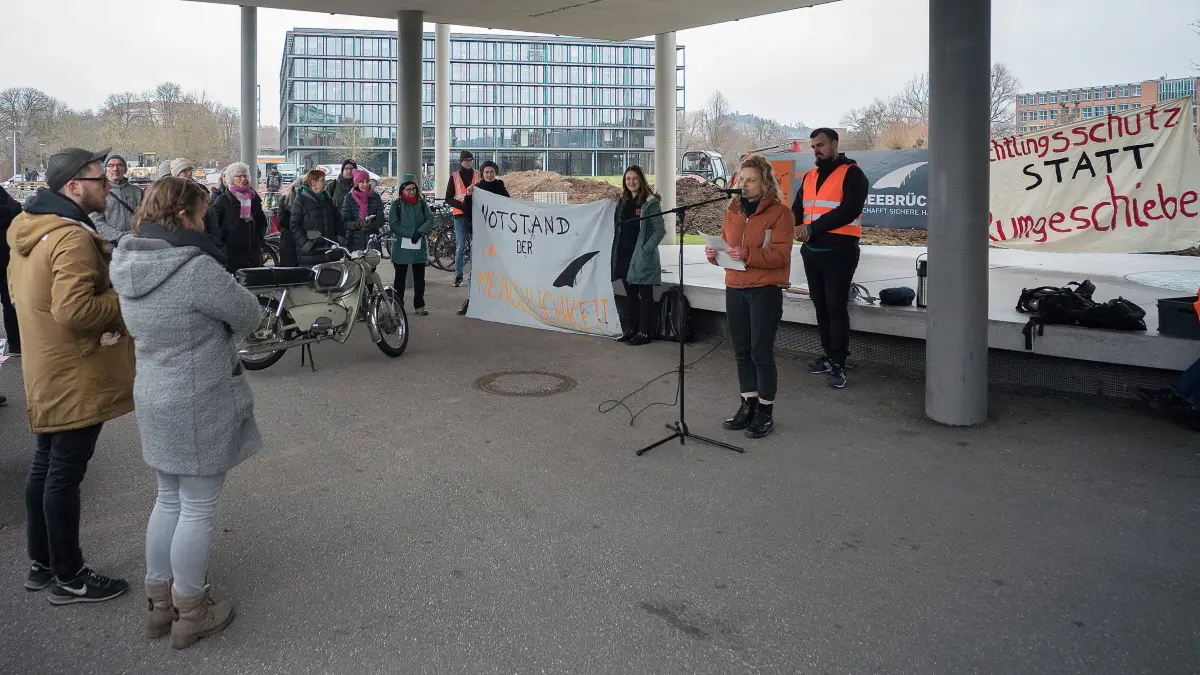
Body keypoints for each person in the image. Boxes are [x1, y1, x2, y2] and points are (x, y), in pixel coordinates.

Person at [110, 177, 264, 649]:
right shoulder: (194, 269)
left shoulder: (127, 262)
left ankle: (159, 607)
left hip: (154, 393)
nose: (204, 222)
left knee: (168, 499)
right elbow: (250, 315)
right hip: (199, 399)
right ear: (183, 216)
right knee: (196, 508)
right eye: (200, 213)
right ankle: (191, 612)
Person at [7, 147, 135, 603]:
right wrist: (125, 297)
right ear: (73, 186)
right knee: (63, 472)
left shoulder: (30, 228)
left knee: (47, 465)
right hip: (75, 370)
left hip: (47, 364)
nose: (108, 185)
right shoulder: (71, 237)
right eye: (100, 179)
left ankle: (43, 564)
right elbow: (76, 310)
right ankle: (69, 575)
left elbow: (25, 297)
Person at [706, 154, 795, 439]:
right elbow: (727, 248)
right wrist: (714, 254)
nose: (744, 184)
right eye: (741, 179)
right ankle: (748, 405)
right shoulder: (731, 211)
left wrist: (747, 253)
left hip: (764, 290)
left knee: (760, 351)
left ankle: (765, 411)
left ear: (765, 182)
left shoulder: (781, 214)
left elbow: (780, 256)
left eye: (751, 180)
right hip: (735, 288)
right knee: (741, 350)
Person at [791, 127, 868, 389]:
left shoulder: (853, 173)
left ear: (834, 144)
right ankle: (828, 355)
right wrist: (794, 227)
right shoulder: (810, 176)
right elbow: (798, 208)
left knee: (836, 306)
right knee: (820, 305)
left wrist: (811, 228)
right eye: (813, 146)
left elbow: (849, 211)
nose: (816, 150)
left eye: (821, 145)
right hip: (812, 252)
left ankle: (838, 363)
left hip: (840, 252)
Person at [611, 165, 665, 346]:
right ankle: (632, 329)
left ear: (641, 179)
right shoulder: (623, 201)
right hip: (624, 254)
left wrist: (645, 250)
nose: (631, 182)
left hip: (641, 256)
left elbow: (659, 230)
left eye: (634, 178)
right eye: (628, 179)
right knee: (631, 295)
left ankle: (645, 332)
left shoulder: (650, 202)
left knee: (645, 296)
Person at [457, 160, 509, 316]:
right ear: (482, 173)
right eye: (486, 172)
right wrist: (468, 196)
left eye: (492, 172)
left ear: (495, 173)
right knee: (476, 268)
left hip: (497, 236)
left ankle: (497, 301)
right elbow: (467, 211)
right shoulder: (476, 189)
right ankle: (472, 299)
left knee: (497, 268)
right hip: (480, 235)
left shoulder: (501, 188)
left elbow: (509, 207)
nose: (489, 174)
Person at [388, 174, 433, 316]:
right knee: (399, 278)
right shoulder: (397, 204)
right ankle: (398, 305)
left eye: (413, 189)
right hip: (401, 247)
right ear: (402, 190)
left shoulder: (422, 203)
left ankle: (419, 305)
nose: (411, 192)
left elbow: (430, 219)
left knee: (419, 278)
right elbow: (393, 225)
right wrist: (410, 233)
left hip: (418, 245)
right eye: (408, 189)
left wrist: (419, 232)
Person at [210, 163, 268, 273]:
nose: (243, 179)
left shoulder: (253, 197)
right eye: (239, 176)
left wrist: (258, 239)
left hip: (252, 255)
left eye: (245, 176)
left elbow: (261, 221)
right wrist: (223, 248)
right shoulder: (222, 201)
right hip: (231, 256)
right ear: (231, 178)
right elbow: (214, 228)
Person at [291, 169, 342, 266]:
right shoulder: (301, 200)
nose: (325, 183)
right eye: (322, 180)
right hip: (310, 253)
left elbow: (338, 219)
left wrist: (339, 237)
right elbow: (294, 225)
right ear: (312, 182)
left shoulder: (327, 199)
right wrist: (305, 243)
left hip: (330, 251)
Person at [90, 154, 144, 246]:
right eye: (111, 166)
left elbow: (146, 217)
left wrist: (136, 233)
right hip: (110, 247)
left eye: (119, 165)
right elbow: (96, 222)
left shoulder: (137, 192)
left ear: (125, 169)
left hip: (136, 244)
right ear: (105, 170)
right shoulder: (98, 193)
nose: (115, 169)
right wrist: (121, 236)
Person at [444, 150, 480, 287]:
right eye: (466, 160)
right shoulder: (454, 177)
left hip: (475, 215)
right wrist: (462, 206)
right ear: (461, 161)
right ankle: (458, 276)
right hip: (460, 215)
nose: (469, 162)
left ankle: (473, 275)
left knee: (475, 247)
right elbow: (448, 198)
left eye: (471, 160)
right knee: (460, 247)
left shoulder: (478, 175)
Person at [1, 184, 22, 360]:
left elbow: (17, 208)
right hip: (6, 259)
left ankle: (16, 344)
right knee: (9, 301)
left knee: (9, 301)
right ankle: (15, 344)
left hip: (6, 260)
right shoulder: (8, 204)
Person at [340, 168, 383, 252]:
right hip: (354, 243)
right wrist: (358, 224)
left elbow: (380, 219)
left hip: (372, 242)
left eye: (367, 181)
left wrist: (372, 225)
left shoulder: (375, 197)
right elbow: (345, 222)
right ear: (356, 183)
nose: (365, 184)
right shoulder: (349, 198)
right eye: (362, 182)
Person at [275, 180, 301, 267]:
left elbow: (282, 220)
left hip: (290, 238)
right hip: (290, 238)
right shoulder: (286, 199)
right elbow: (282, 220)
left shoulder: (286, 199)